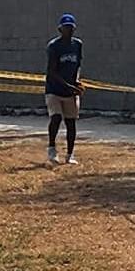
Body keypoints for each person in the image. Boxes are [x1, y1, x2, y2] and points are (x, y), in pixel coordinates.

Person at [45, 14, 85, 163]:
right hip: (54, 89)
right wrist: (67, 85)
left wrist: (76, 82)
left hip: (70, 91)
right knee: (56, 118)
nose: (69, 31)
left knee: (71, 122)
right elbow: (52, 71)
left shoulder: (77, 45)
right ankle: (51, 148)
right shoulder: (54, 46)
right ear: (60, 29)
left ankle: (70, 154)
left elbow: (77, 65)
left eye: (71, 28)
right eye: (66, 28)